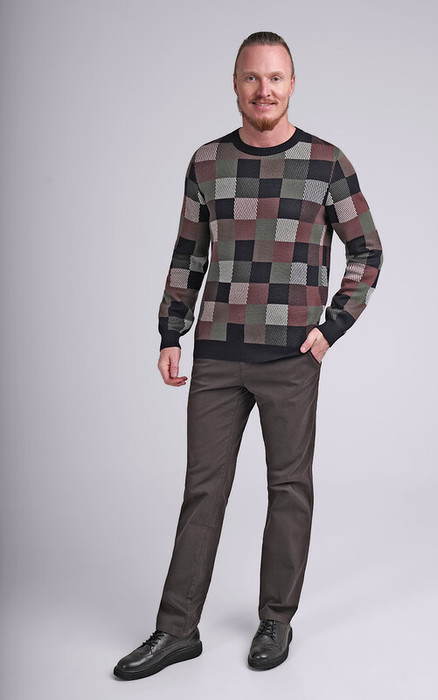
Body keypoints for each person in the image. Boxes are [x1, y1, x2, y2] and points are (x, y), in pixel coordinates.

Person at [114, 30, 382, 679]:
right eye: (252, 78)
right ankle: (176, 629)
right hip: (216, 353)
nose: (264, 90)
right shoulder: (207, 162)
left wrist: (331, 329)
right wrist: (170, 332)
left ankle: (276, 619)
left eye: (275, 78)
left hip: (291, 357)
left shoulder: (326, 163)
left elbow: (367, 251)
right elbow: (188, 253)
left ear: (292, 84)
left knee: (288, 490)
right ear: (235, 84)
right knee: (202, 491)